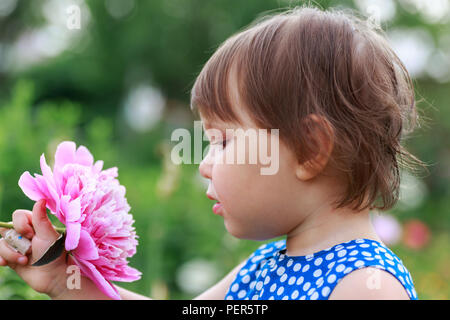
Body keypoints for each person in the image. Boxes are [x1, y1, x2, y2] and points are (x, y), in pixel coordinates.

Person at [0, 6, 424, 300]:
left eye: (222, 141)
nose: (203, 163)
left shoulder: (365, 285)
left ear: (310, 148)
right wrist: (62, 278)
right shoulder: (261, 268)